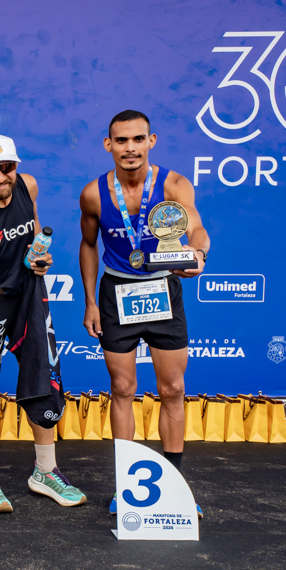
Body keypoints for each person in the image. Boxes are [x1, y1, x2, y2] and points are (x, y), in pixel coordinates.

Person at [78, 110, 209, 518]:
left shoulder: (173, 184)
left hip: (162, 287)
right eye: (121, 140)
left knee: (173, 388)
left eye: (138, 139)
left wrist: (199, 254)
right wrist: (90, 301)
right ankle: (128, 487)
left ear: (151, 141)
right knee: (122, 389)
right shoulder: (93, 194)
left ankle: (174, 485)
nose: (130, 148)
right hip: (117, 291)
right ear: (108, 145)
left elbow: (197, 228)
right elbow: (88, 245)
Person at [0, 134, 86, 513]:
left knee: (43, 379)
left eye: (6, 168)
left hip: (29, 297)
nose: (0, 177)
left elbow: (35, 236)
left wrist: (40, 259)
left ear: (16, 167)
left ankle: (45, 471)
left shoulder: (28, 186)